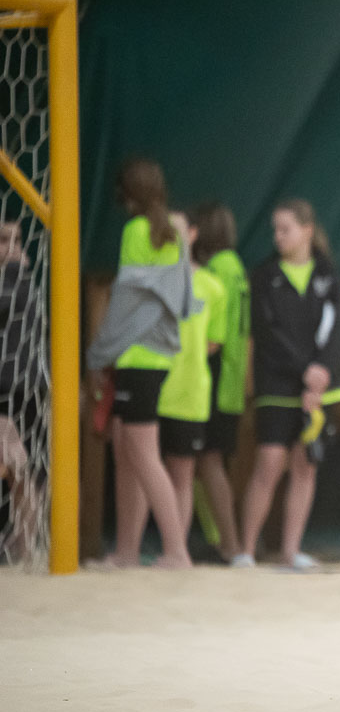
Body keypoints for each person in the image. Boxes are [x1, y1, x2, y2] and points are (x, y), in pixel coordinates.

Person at [86, 158, 195, 569]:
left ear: (126, 196)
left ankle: (176, 551)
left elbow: (126, 300)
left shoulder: (137, 231)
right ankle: (128, 552)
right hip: (157, 354)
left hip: (137, 355)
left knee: (143, 454)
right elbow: (181, 299)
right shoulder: (174, 232)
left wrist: (99, 354)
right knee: (130, 452)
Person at [232, 199, 340, 571]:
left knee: (305, 465)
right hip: (277, 384)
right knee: (269, 462)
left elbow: (335, 331)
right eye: (275, 230)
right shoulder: (264, 276)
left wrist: (321, 372)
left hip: (320, 388)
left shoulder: (328, 275)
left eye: (286, 229)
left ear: (307, 231)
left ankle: (290, 551)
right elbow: (267, 332)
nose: (278, 237)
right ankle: (246, 551)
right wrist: (304, 371)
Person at [137, 208, 229, 560]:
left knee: (181, 473)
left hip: (189, 392)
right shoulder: (148, 281)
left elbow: (213, 342)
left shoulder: (212, 286)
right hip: (151, 386)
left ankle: (174, 551)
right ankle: (136, 549)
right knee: (143, 468)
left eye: (177, 232)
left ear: (192, 234)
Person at [189, 202, 249, 562]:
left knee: (207, 461)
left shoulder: (216, 270)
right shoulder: (235, 266)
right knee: (204, 461)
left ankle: (230, 544)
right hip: (231, 379)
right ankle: (223, 540)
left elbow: (214, 333)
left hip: (215, 376)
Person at [0, 220, 44, 562]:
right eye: (4, 239)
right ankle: (24, 542)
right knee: (21, 468)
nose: (11, 246)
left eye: (13, 240)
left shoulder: (16, 281)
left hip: (14, 386)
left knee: (20, 468)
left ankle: (25, 543)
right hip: (26, 385)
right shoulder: (24, 279)